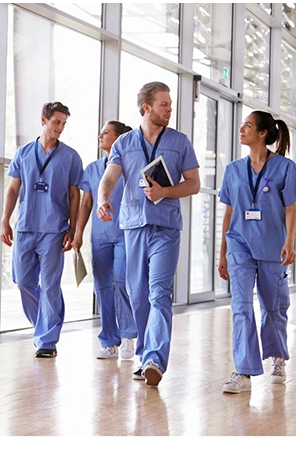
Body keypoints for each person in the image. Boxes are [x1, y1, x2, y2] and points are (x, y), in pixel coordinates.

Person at [97, 82, 200, 387]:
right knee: (138, 294)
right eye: (164, 105)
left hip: (166, 227)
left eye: (170, 104)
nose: (170, 109)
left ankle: (155, 357)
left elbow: (193, 183)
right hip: (133, 227)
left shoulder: (180, 142)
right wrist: (103, 200)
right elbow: (109, 178)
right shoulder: (124, 143)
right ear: (146, 108)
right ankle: (144, 356)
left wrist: (165, 191)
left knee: (158, 292)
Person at [217, 110, 296, 393]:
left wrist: (289, 242)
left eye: (248, 125)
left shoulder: (285, 168)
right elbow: (229, 211)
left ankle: (278, 357)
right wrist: (222, 252)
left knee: (273, 307)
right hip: (239, 245)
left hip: (272, 245)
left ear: (262, 134)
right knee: (241, 307)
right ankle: (243, 372)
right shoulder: (233, 169)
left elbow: (291, 208)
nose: (241, 129)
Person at [0, 101, 83, 358]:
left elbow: (74, 195)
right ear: (43, 120)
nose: (60, 127)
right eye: (56, 122)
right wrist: (5, 220)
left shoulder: (70, 157)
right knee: (23, 282)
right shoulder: (23, 153)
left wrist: (72, 227)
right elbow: (13, 189)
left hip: (54, 229)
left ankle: (47, 340)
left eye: (63, 123)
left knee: (49, 286)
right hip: (25, 227)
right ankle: (42, 327)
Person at [72, 121, 137, 360]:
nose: (100, 135)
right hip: (99, 237)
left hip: (124, 234)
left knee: (120, 282)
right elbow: (86, 203)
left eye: (106, 132)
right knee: (102, 288)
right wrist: (78, 233)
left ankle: (129, 335)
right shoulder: (92, 169)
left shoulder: (130, 167)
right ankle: (110, 340)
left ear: (119, 139)